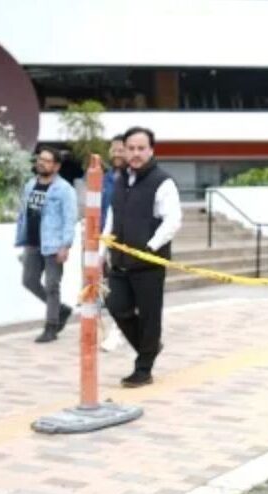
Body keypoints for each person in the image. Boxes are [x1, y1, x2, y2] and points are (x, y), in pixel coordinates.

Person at [102, 127, 182, 387]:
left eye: (141, 148)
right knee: (116, 306)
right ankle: (149, 348)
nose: (135, 154)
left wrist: (150, 246)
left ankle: (143, 368)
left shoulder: (162, 182)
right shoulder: (120, 180)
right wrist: (103, 249)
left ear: (151, 150)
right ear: (123, 150)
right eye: (131, 148)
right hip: (120, 261)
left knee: (149, 316)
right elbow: (112, 217)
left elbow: (173, 220)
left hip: (149, 262)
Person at [17, 148, 78, 343]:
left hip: (53, 244)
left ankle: (51, 327)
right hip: (33, 243)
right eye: (40, 159)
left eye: (47, 160)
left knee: (52, 285)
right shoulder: (30, 185)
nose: (42, 163)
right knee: (29, 281)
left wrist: (65, 245)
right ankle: (61, 309)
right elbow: (23, 214)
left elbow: (70, 218)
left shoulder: (64, 189)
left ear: (57, 166)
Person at [100, 135, 127, 353]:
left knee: (121, 290)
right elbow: (101, 211)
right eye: (114, 150)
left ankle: (118, 332)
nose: (117, 154)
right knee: (110, 290)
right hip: (106, 241)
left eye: (121, 150)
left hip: (128, 243)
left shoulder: (133, 179)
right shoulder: (106, 178)